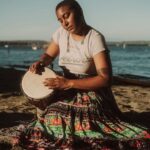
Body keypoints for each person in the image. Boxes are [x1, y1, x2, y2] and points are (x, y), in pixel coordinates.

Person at [12, 0, 150, 149]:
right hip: (64, 86)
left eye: (66, 16)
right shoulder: (61, 34)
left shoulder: (94, 38)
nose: (64, 23)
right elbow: (48, 55)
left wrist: (68, 83)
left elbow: (105, 79)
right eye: (60, 20)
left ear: (79, 12)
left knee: (81, 121)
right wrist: (40, 62)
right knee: (53, 114)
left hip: (91, 90)